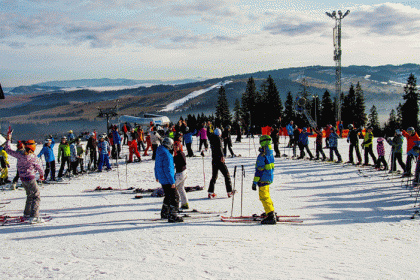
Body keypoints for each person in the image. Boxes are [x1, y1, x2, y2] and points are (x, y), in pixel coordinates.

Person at [5, 131, 45, 224]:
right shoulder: (33, 157)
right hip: (30, 178)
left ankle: (27, 214)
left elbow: (8, 150)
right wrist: (42, 176)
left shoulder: (20, 154)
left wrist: (8, 139)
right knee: (36, 196)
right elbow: (40, 168)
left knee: (30, 196)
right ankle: (34, 217)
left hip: (22, 179)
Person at [155, 137, 183, 223]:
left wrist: (157, 176)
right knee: (175, 197)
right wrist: (172, 181)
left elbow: (156, 165)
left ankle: (165, 213)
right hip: (167, 179)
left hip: (162, 178)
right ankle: (173, 215)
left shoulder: (159, 152)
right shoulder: (167, 155)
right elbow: (169, 169)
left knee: (168, 195)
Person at [252, 135, 276, 224]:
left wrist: (254, 182)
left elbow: (259, 170)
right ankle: (270, 210)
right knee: (267, 195)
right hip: (269, 177)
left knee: (263, 196)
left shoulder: (262, 155)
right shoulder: (270, 153)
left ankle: (271, 215)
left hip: (263, 178)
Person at [208, 128, 233, 198]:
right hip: (219, 160)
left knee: (214, 176)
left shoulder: (212, 139)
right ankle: (229, 191)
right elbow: (219, 148)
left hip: (214, 160)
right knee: (226, 175)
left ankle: (210, 192)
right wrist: (222, 156)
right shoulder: (218, 139)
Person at [173, 141, 189, 210]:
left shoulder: (181, 154)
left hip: (181, 173)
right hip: (181, 173)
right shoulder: (177, 154)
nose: (175, 148)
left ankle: (173, 204)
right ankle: (185, 203)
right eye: (175, 147)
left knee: (173, 187)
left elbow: (184, 163)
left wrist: (176, 162)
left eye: (177, 147)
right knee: (181, 188)